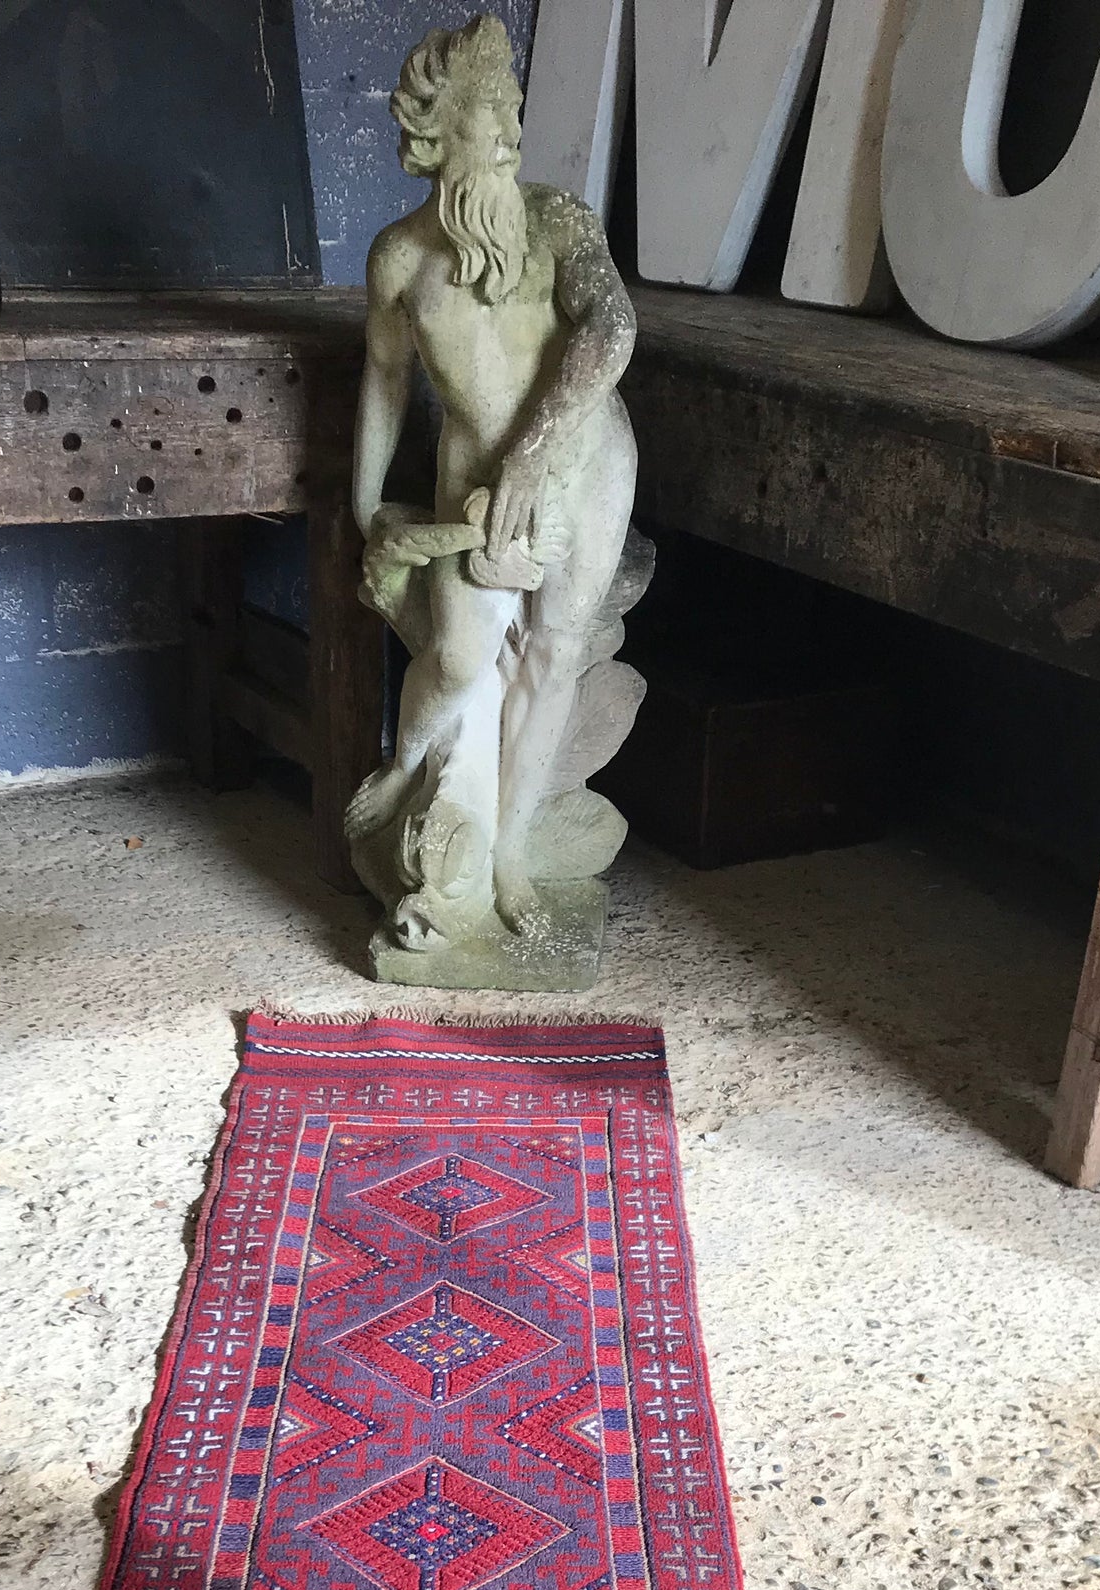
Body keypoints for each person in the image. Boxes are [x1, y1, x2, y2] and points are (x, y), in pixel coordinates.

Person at [347, 14, 637, 943]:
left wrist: (535, 454)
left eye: (513, 111)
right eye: (487, 118)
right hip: (471, 485)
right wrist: (365, 503)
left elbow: (612, 331)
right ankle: (411, 764)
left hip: (586, 460)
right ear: (439, 139)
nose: (510, 135)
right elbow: (386, 382)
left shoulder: (558, 221)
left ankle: (508, 850)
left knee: (554, 648)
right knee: (462, 658)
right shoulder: (400, 261)